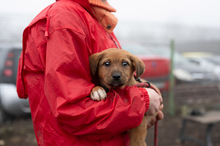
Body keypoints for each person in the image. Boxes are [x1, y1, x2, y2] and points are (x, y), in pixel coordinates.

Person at [16, 0, 164, 145]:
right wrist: (142, 102)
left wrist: (147, 100)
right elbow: (72, 109)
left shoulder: (96, 18)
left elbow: (120, 88)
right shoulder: (66, 18)